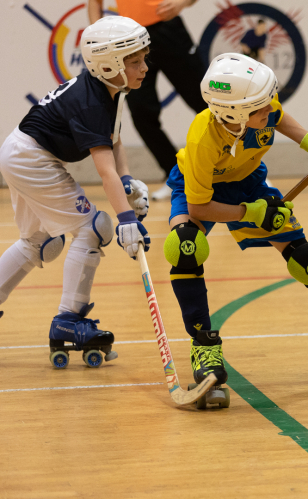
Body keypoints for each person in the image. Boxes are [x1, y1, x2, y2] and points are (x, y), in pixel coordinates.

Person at [164, 53, 308, 407]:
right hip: (199, 189)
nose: (271, 108)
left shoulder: (257, 106)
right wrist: (253, 213)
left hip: (248, 184)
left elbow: (279, 117)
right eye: (261, 107)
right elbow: (200, 206)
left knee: (307, 258)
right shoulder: (203, 137)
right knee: (185, 248)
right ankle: (204, 348)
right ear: (234, 113)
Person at [0, 17, 152, 368]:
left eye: (144, 58)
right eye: (135, 61)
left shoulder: (109, 89)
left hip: (21, 152)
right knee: (94, 227)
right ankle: (68, 319)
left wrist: (127, 182)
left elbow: (113, 139)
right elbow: (103, 170)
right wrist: (126, 220)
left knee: (39, 241)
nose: (145, 67)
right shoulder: (91, 101)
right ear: (109, 64)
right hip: (31, 158)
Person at [88, 0, 206, 201]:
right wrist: (97, 40)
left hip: (168, 28)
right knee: (141, 113)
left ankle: (243, 171)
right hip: (129, 39)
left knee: (207, 103)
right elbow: (94, 3)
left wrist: (182, 3)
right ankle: (176, 176)